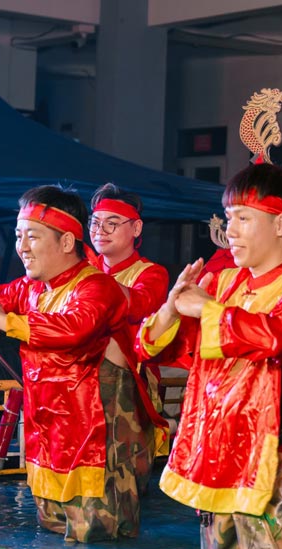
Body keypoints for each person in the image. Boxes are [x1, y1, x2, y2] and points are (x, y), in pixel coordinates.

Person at [136, 162, 282, 549]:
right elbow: (155, 348)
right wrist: (172, 308)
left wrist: (206, 308)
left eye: (244, 218)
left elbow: (273, 337)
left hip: (277, 467)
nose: (231, 231)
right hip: (219, 460)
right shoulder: (224, 281)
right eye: (228, 219)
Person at [0, 185, 147, 542]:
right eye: (18, 235)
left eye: (32, 236)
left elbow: (74, 328)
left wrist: (3, 321)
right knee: (53, 534)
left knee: (99, 539)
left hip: (95, 433)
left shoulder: (98, 287)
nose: (22, 247)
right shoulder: (30, 288)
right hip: (50, 435)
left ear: (68, 242)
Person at [89, 183, 169, 493]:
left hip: (129, 382)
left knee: (125, 470)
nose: (101, 231)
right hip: (83, 379)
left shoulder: (151, 272)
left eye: (112, 223)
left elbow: (138, 306)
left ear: (136, 228)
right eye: (95, 223)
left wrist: (87, 280)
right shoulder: (85, 268)